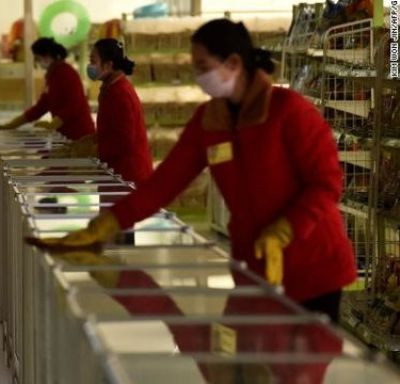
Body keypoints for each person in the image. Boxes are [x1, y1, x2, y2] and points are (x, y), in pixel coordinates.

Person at [32, 19, 356, 323]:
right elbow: (163, 184)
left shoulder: (290, 111)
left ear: (233, 64)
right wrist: (105, 224)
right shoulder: (210, 121)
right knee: (236, 373)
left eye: (203, 67)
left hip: (312, 268)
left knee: (295, 377)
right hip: (252, 267)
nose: (198, 77)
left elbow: (326, 183)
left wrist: (283, 230)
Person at [65, 38, 153, 184]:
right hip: (116, 172)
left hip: (128, 176)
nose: (90, 66)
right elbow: (112, 130)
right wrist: (89, 140)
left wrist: (93, 152)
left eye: (93, 61)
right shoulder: (111, 88)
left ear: (108, 65)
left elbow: (123, 140)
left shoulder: (120, 93)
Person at [0, 38, 95, 140]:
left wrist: (53, 123)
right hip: (65, 134)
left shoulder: (66, 73)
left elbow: (73, 105)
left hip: (80, 134)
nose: (37, 62)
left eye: (37, 58)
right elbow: (41, 107)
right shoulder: (52, 75)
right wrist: (11, 125)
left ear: (47, 56)